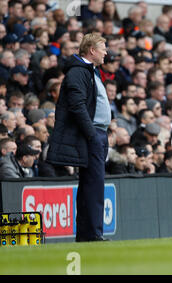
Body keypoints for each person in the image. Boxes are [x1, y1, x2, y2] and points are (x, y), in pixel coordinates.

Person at [46, 33, 111, 242]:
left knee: (92, 184)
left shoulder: (92, 72)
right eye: (103, 48)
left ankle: (88, 234)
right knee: (94, 184)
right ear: (92, 50)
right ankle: (92, 234)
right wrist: (91, 134)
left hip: (99, 133)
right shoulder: (78, 72)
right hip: (92, 134)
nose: (106, 52)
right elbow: (77, 105)